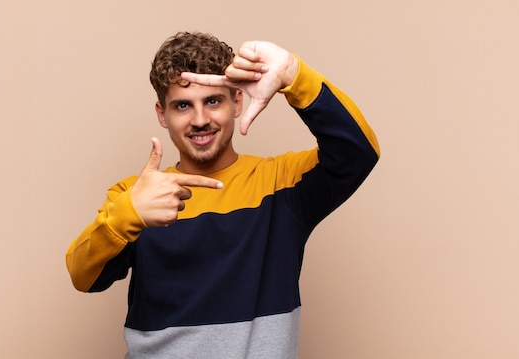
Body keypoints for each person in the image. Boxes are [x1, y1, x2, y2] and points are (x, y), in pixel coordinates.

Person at [66, 31, 380, 358]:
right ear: (162, 114)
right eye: (183, 105)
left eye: (213, 101)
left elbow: (358, 152)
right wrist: (126, 214)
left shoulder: (280, 184)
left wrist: (293, 74)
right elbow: (82, 276)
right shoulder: (138, 194)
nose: (200, 120)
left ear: (237, 102)